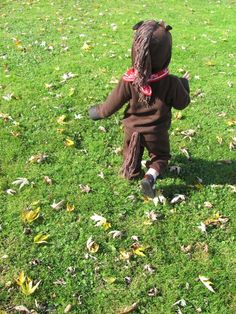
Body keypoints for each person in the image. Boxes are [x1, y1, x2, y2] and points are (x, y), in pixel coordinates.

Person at [88, 20, 190, 198]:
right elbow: (182, 103)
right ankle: (150, 177)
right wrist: (184, 84)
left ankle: (131, 171)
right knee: (160, 157)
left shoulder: (129, 80)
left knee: (131, 151)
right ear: (166, 53)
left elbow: (112, 103)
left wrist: (98, 112)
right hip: (156, 132)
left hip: (131, 129)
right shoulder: (171, 82)